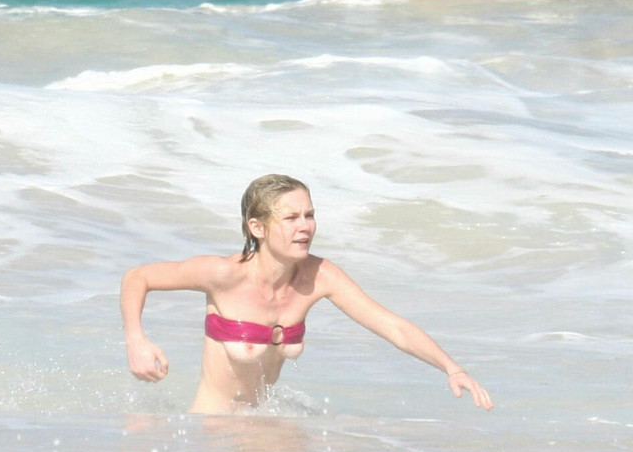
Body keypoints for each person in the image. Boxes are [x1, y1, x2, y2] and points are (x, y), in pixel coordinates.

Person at [120, 174, 493, 414]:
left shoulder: (320, 275)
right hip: (213, 429)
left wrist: (451, 368)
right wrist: (136, 340)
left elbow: (391, 326)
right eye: (291, 218)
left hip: (265, 423)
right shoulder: (223, 275)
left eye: (309, 215)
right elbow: (138, 277)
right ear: (257, 227)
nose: (305, 227)